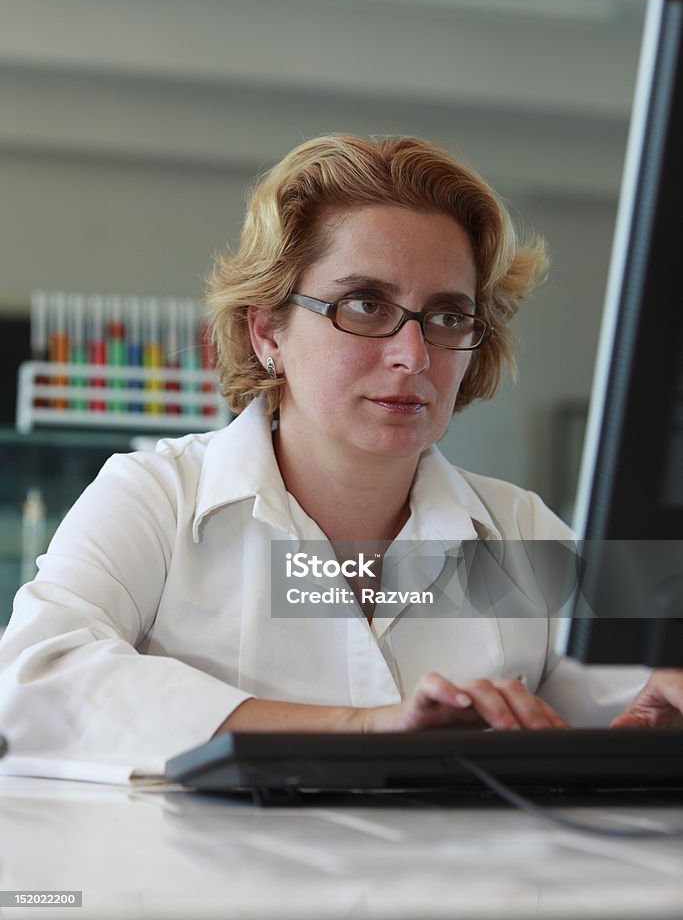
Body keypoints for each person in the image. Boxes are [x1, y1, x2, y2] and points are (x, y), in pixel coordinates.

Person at [0, 134, 681, 774]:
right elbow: (35, 683)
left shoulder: (517, 528)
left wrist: (659, 704)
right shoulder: (158, 495)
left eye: (447, 316)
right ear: (267, 331)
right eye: (363, 305)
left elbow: (640, 677)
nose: (413, 355)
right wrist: (365, 729)